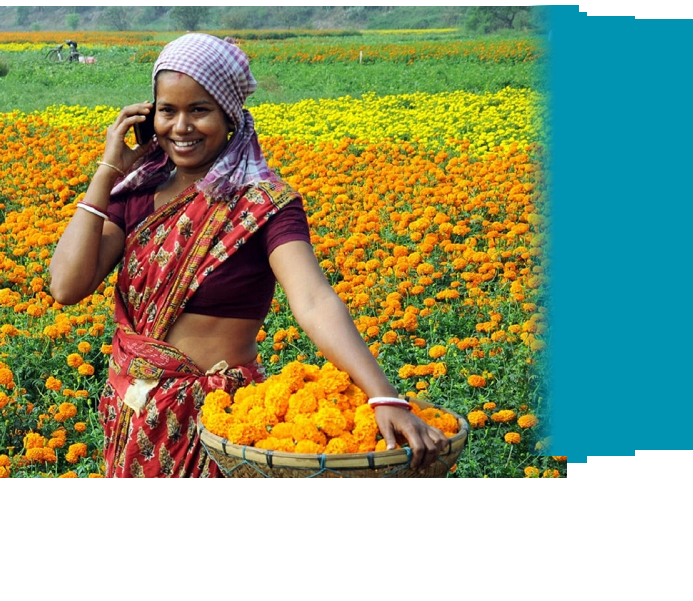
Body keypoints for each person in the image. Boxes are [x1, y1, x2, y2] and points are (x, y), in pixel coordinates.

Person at [48, 33, 448, 477]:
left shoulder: (264, 206)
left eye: (199, 110)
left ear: (229, 115)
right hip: (132, 416)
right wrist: (109, 170)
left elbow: (313, 301)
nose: (180, 126)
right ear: (148, 114)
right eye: (167, 110)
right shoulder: (138, 193)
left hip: (216, 428)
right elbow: (67, 286)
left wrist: (383, 395)